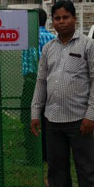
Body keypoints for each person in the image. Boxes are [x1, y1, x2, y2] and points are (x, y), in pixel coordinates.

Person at [30, 0, 94, 187]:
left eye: (65, 17)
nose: (61, 22)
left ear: (74, 19)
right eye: (57, 18)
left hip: (79, 121)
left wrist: (91, 115)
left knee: (86, 169)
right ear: (52, 21)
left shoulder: (88, 46)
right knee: (56, 167)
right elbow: (41, 81)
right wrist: (35, 112)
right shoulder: (48, 48)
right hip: (52, 119)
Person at [21, 9, 56, 161]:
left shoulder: (28, 39)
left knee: (28, 116)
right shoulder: (53, 38)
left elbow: (34, 61)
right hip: (50, 82)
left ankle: (32, 154)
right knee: (46, 118)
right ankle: (47, 152)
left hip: (31, 81)